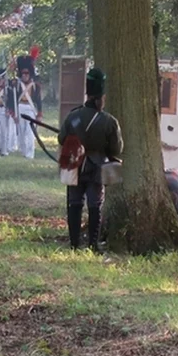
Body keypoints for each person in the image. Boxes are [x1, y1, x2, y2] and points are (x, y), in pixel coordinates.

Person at [58, 68, 122, 251]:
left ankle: (74, 244)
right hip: (97, 167)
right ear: (100, 98)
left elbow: (61, 139)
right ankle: (94, 245)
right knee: (95, 205)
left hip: (74, 165)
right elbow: (117, 149)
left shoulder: (72, 116)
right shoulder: (109, 121)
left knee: (74, 203)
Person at [14, 51, 43, 160]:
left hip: (31, 109)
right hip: (20, 108)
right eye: (23, 74)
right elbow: (13, 100)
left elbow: (39, 101)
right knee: (21, 132)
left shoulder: (36, 86)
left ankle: (30, 155)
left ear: (30, 74)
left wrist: (39, 113)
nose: (25, 75)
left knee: (30, 133)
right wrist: (14, 113)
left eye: (27, 74)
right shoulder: (16, 85)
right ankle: (23, 153)